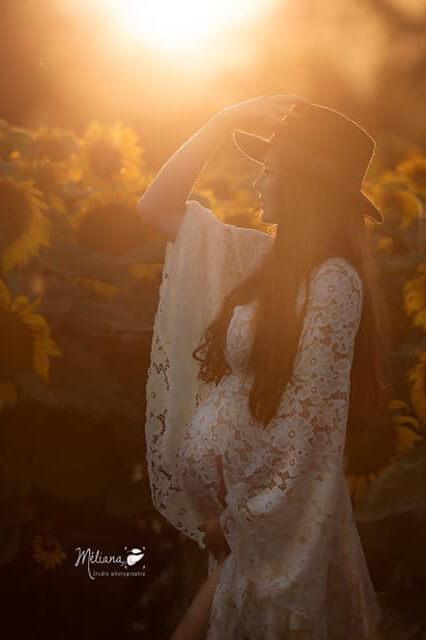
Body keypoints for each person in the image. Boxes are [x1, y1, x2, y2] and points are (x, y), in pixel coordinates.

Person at [139, 96, 392, 639]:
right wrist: (219, 121)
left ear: (304, 185)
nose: (258, 185)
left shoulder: (333, 284)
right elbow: (155, 209)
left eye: (271, 172)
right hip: (245, 534)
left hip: (276, 542)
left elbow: (307, 435)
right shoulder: (265, 264)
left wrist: (235, 522)